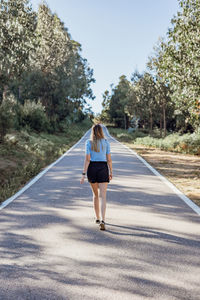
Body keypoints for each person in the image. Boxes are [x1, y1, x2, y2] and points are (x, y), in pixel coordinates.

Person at [80, 124, 112, 230]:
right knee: (103, 195)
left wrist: (83, 174)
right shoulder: (106, 142)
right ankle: (103, 219)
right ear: (101, 131)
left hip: (92, 168)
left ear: (92, 132)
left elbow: (87, 159)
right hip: (103, 168)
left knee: (95, 195)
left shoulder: (88, 143)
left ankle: (97, 218)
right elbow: (109, 159)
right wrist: (111, 171)